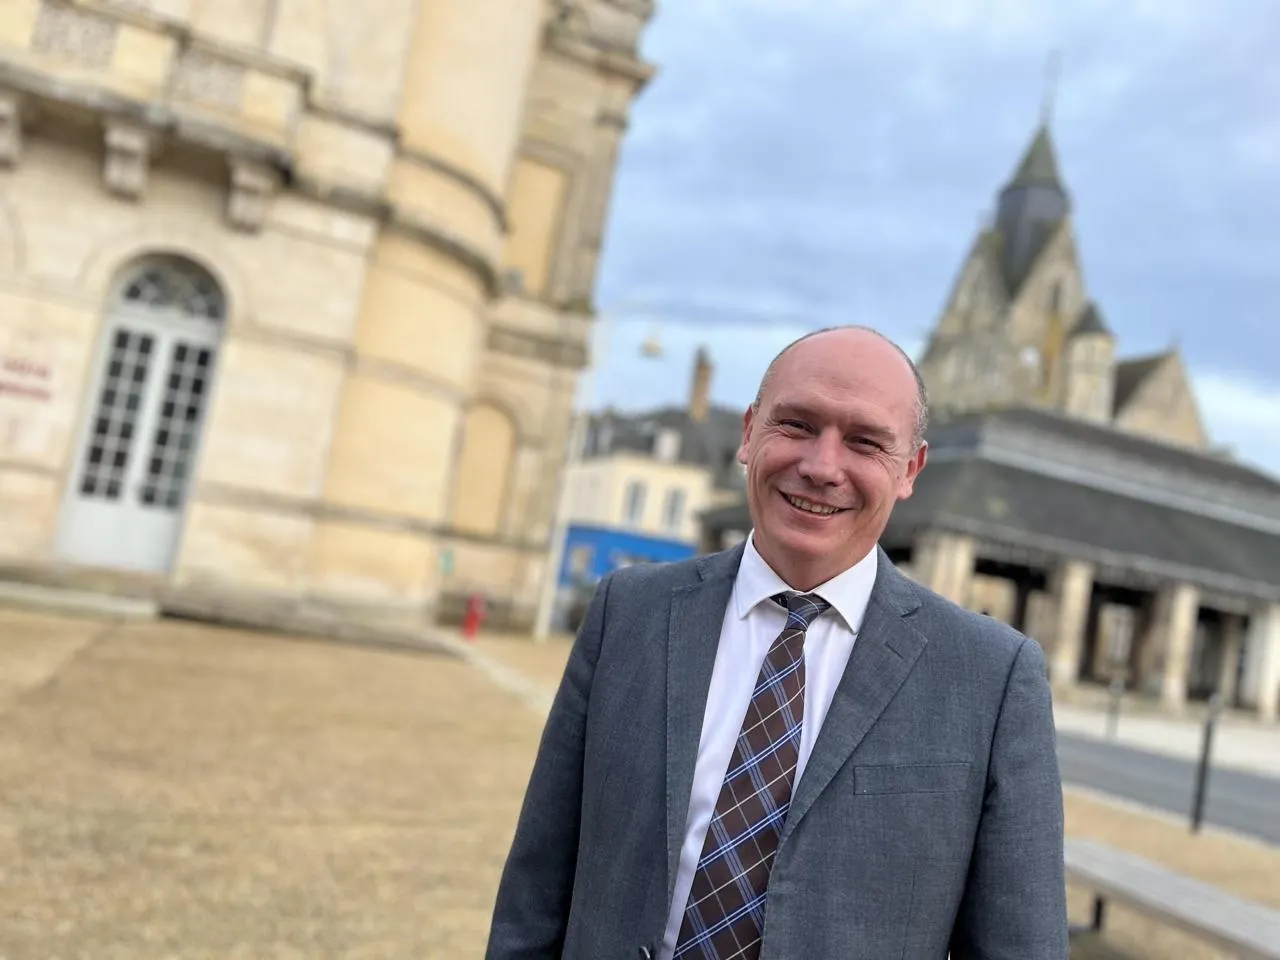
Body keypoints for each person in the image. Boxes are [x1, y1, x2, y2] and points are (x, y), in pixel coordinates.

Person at [485, 326, 1069, 960]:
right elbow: (536, 892)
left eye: (865, 442)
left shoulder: (990, 678)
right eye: (796, 425)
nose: (821, 467)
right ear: (748, 432)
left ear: (910, 470)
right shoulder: (628, 614)